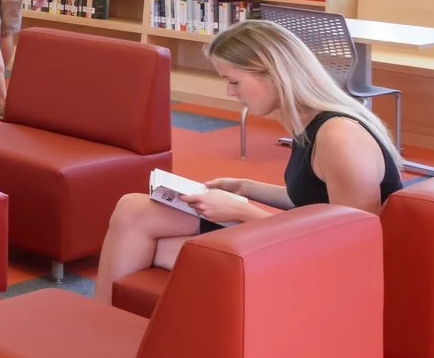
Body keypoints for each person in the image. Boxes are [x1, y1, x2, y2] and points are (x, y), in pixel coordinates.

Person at [92, 18, 404, 306]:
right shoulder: (309, 122)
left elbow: (354, 241)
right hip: (309, 242)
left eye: (234, 82)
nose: (230, 92)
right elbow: (317, 200)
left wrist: (242, 212)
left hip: (333, 268)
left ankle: (105, 323)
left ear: (272, 72)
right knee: (134, 209)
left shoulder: (339, 136)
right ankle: (104, 321)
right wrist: (245, 188)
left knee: (147, 244)